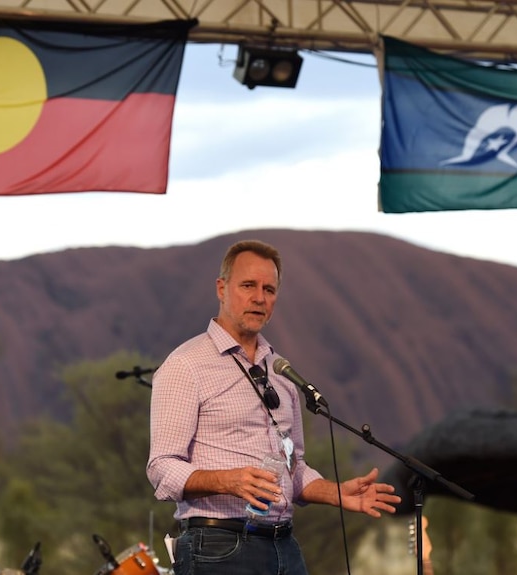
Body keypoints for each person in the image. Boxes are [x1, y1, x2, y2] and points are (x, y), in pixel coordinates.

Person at [146, 239, 401, 575]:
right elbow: (161, 467)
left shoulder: (281, 372)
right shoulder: (185, 365)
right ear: (221, 289)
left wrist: (336, 492)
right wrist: (229, 480)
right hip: (219, 546)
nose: (259, 298)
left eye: (269, 289)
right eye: (248, 285)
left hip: (284, 546)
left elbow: (294, 470)